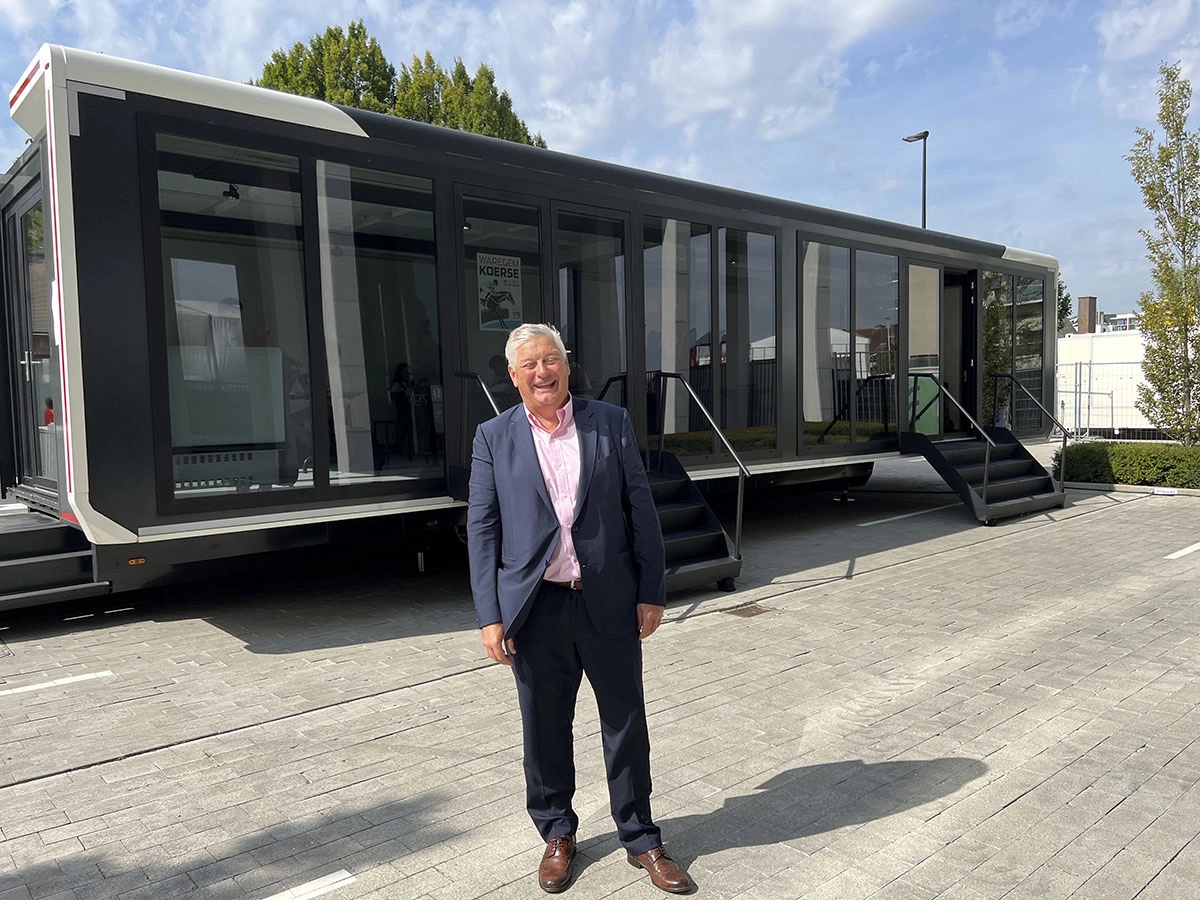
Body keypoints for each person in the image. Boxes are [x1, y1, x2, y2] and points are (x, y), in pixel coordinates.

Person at [467, 323, 691, 895]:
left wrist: (651, 590)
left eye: (552, 361)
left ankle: (640, 836)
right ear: (513, 377)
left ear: (567, 366)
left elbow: (640, 508)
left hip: (608, 600)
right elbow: (483, 529)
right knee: (544, 728)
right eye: (530, 365)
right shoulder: (493, 437)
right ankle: (556, 833)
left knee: (625, 721)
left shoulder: (608, 422)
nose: (543, 372)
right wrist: (490, 615)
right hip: (535, 607)